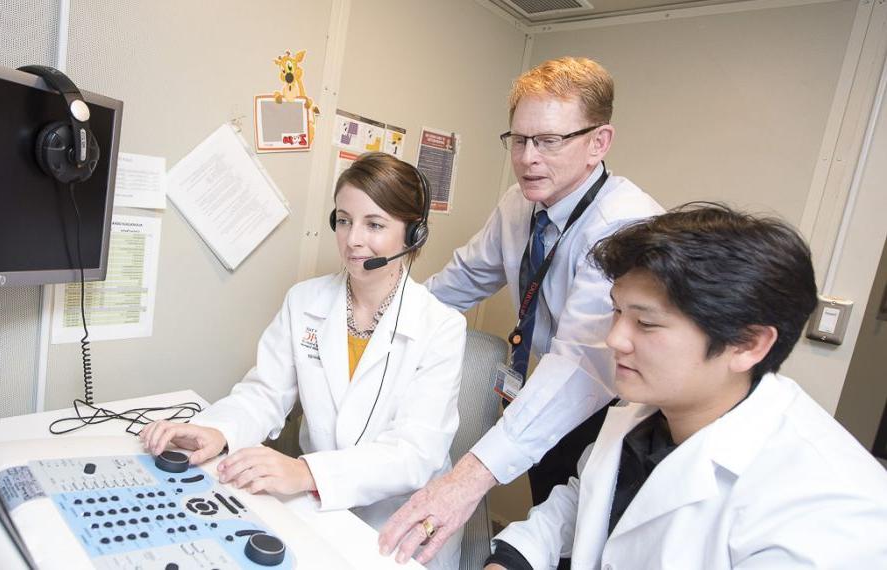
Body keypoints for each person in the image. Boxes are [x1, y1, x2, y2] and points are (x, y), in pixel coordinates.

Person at [485, 204, 887, 569]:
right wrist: (511, 560)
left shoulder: (831, 509)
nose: (615, 339)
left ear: (747, 343)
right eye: (617, 311)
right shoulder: (643, 417)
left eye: (645, 323)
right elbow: (581, 504)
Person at [380, 57, 662, 564]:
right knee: (547, 532)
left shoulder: (625, 225)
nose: (528, 157)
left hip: (618, 406)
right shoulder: (520, 203)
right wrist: (382, 325)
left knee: (593, 543)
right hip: (545, 395)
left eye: (549, 141)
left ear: (599, 142)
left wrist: (467, 478)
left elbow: (583, 363)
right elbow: (462, 279)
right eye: (519, 139)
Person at [140, 152, 466, 570]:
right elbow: (265, 393)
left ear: (414, 235)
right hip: (319, 512)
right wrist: (217, 430)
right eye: (344, 220)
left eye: (375, 224)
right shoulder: (305, 301)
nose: (353, 240)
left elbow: (414, 454)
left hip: (399, 531)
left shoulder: (441, 327)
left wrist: (308, 473)